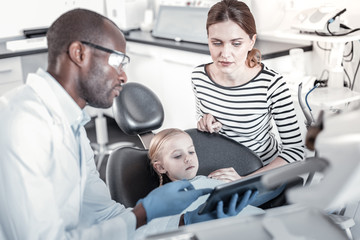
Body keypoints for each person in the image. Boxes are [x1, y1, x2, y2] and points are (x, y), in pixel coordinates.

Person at [0, 9, 225, 240]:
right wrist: (143, 213)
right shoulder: (23, 125)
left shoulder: (73, 127)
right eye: (117, 61)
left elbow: (103, 215)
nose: (124, 76)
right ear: (79, 53)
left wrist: (182, 221)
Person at [191, 0, 305, 182]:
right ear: (208, 41)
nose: (225, 53)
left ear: (251, 42)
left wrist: (245, 179)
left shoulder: (271, 84)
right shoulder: (199, 76)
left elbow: (296, 152)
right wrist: (204, 123)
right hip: (220, 171)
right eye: (217, 43)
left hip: (262, 173)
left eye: (236, 43)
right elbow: (206, 129)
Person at [133, 128, 263, 239]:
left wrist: (243, 182)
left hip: (265, 226)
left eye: (191, 151)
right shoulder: (168, 202)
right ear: (160, 167)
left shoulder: (211, 180)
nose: (188, 158)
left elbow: (256, 196)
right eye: (177, 156)